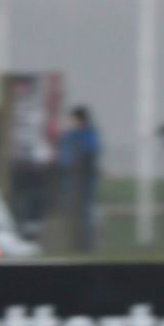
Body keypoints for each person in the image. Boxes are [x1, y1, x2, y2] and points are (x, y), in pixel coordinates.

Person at [57, 105, 102, 251]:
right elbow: (64, 154)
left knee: (86, 213)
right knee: (72, 213)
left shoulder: (88, 135)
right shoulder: (70, 135)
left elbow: (89, 153)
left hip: (84, 180)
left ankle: (86, 245)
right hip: (71, 181)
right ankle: (72, 244)